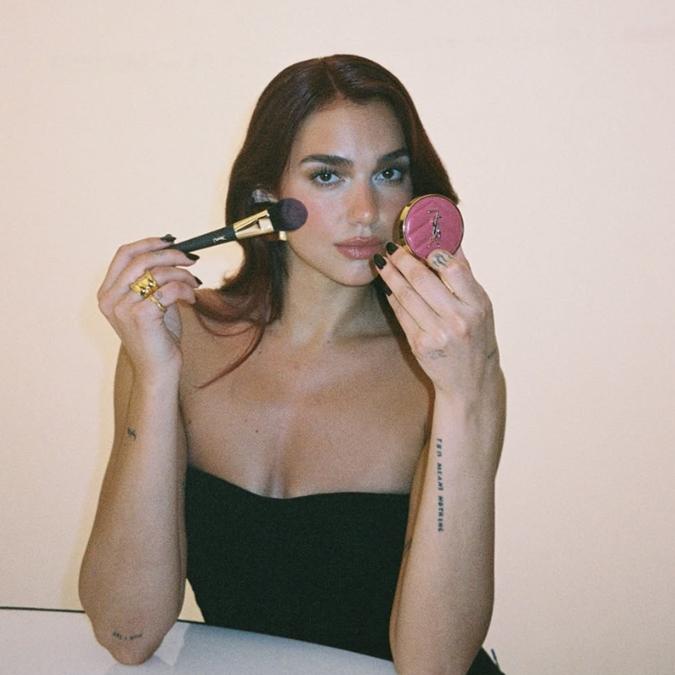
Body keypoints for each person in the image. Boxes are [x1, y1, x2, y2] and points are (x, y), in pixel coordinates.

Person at [79, 54, 507, 675]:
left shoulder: (446, 369)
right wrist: (155, 378)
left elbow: (433, 667)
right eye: (328, 176)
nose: (366, 210)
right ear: (265, 198)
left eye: (389, 173)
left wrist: (466, 399)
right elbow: (127, 632)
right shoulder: (177, 337)